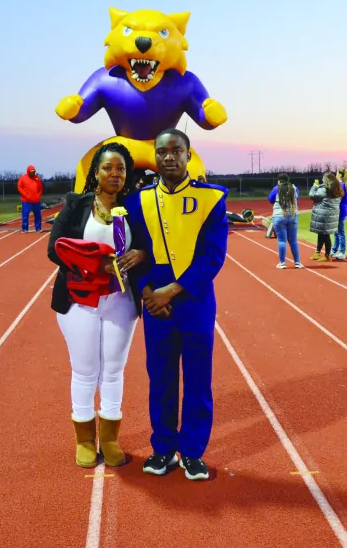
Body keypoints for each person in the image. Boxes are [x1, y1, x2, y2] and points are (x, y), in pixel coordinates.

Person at [125, 128, 229, 481]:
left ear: (188, 155)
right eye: (162, 151)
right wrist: (146, 292)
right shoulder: (138, 201)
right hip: (156, 304)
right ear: (155, 156)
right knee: (161, 379)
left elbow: (213, 256)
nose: (168, 157)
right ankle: (163, 448)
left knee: (198, 380)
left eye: (176, 151)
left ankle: (193, 452)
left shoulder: (211, 199)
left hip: (194, 301)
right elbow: (135, 252)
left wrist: (170, 291)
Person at [48, 142, 149, 468]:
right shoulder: (76, 204)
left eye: (121, 169)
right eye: (108, 167)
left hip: (120, 299)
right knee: (85, 370)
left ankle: (109, 439)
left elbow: (149, 245)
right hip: (80, 300)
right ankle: (84, 441)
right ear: (96, 171)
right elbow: (54, 249)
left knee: (114, 370)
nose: (115, 174)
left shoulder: (135, 207)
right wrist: (97, 264)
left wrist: (141, 253)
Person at [268, 174, 302, 269]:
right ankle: (297, 262)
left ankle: (282, 263)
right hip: (292, 216)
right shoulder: (294, 188)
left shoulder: (276, 189)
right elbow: (297, 199)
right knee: (293, 240)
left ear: (279, 181)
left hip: (279, 216)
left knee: (282, 241)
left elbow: (270, 199)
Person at [309, 172, 344, 261]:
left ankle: (327, 255)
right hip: (331, 215)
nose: (322, 180)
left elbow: (312, 195)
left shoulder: (324, 190)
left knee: (325, 235)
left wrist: (315, 186)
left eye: (323, 179)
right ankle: (318, 252)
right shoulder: (337, 189)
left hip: (323, 215)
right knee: (322, 233)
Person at [333, 168, 347, 260]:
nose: (336, 175)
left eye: (337, 173)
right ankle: (335, 250)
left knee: (340, 232)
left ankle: (342, 252)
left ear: (340, 175)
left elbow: (338, 198)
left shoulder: (341, 185)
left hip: (340, 210)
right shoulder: (344, 185)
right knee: (336, 232)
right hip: (342, 209)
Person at [18, 165, 43, 233]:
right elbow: (19, 187)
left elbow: (40, 187)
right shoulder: (23, 178)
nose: (33, 173)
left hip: (36, 200)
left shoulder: (37, 178)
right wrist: (25, 195)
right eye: (31, 171)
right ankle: (25, 228)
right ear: (28, 171)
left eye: (34, 171)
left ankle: (38, 228)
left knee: (38, 215)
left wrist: (38, 195)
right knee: (25, 215)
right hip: (26, 200)